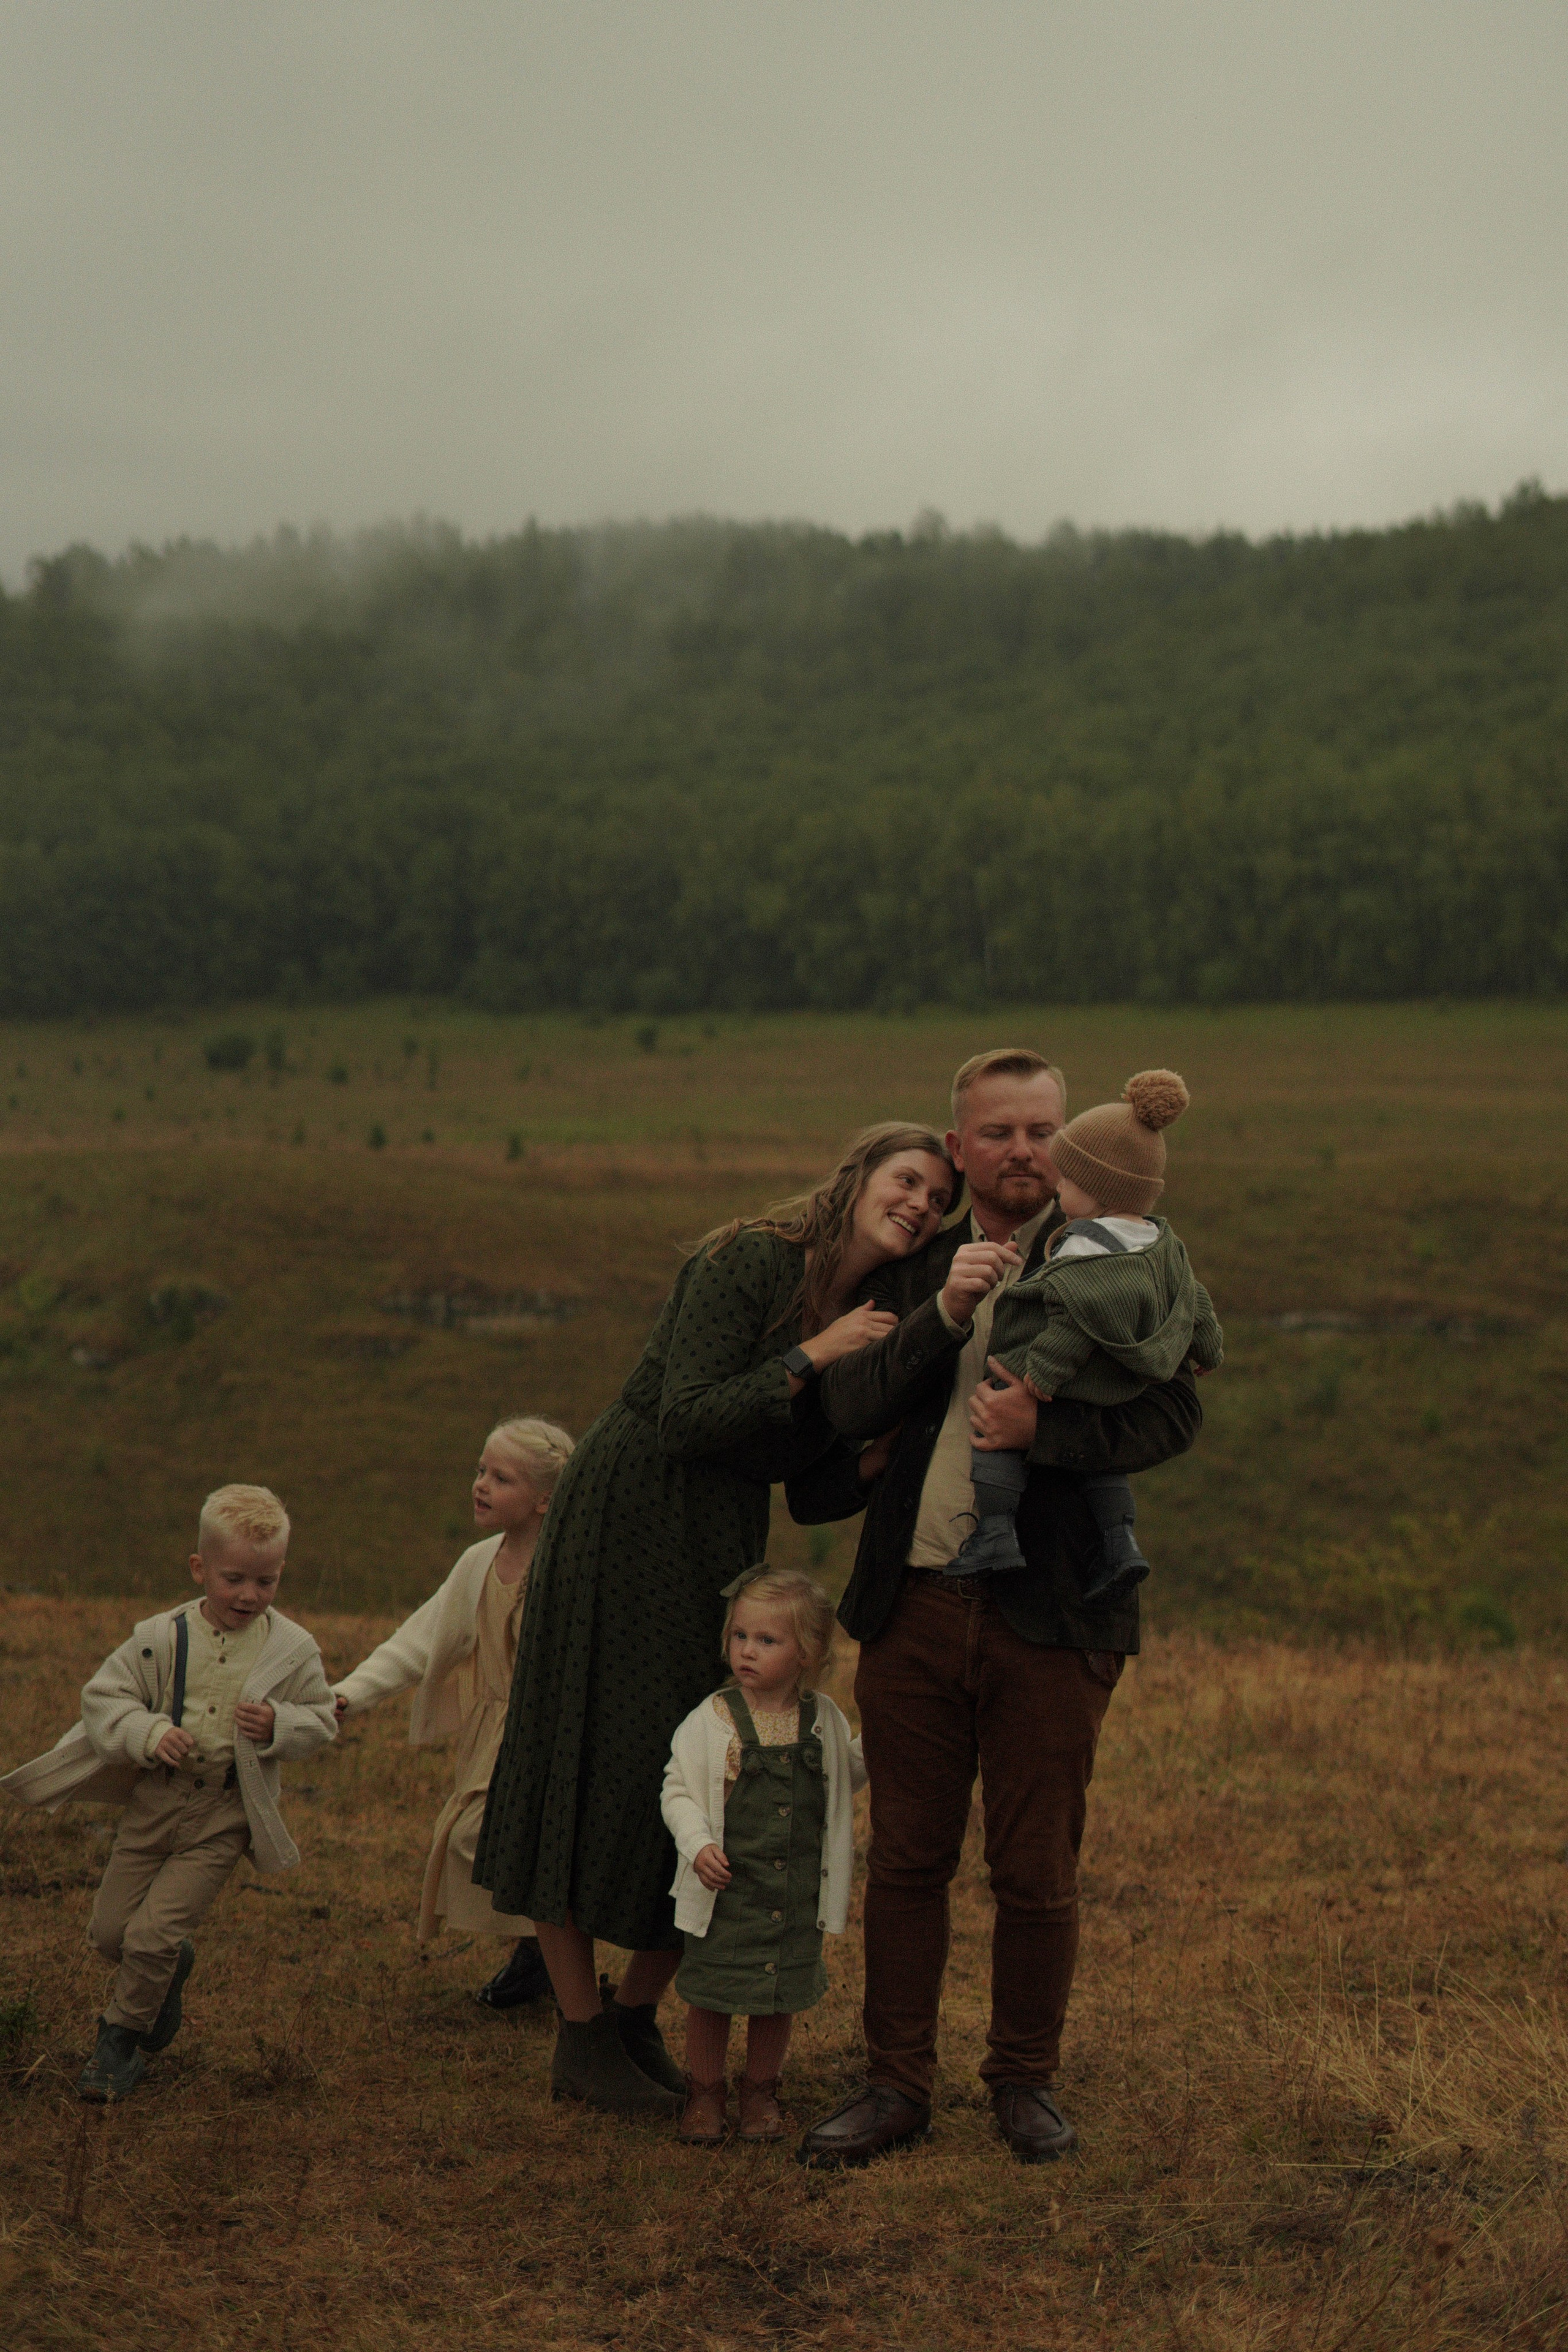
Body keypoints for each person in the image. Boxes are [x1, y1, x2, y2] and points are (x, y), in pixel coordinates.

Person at [473, 1121, 957, 2118]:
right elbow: (687, 1412)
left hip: (718, 1536)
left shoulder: (868, 1312)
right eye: (908, 1179)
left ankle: (631, 2019)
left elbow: (809, 1489)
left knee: (697, 1761)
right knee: (587, 1753)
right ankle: (580, 2035)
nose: (920, 1204)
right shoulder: (750, 1259)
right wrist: (813, 1353)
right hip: (627, 1514)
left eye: (938, 1200)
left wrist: (882, 1455)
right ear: (861, 1174)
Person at [793, 1049, 1204, 2169]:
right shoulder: (912, 1263)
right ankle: (895, 2086)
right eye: (1000, 1132)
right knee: (907, 1859)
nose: (1023, 1151)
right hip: (916, 1603)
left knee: (1036, 1867)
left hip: (1056, 1613)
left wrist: (1046, 1434)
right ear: (959, 1146)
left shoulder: (1127, 1251)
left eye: (1041, 1132)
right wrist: (940, 1313)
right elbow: (845, 1405)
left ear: (1069, 1142)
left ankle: (1024, 2083)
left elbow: (1176, 1417)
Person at [1, 1484, 336, 2103]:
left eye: (266, 1582)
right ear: (199, 1568)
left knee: (148, 1938)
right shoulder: (160, 1636)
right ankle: (168, 1967)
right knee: (112, 1935)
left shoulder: (292, 1649)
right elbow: (105, 1697)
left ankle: (119, 2044)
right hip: (155, 1802)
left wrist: (280, 1726)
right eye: (234, 1579)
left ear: (281, 1574)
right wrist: (148, 1733)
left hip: (224, 1814)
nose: (249, 1595)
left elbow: (321, 1719)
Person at [331, 1416, 574, 2008]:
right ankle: (542, 1962)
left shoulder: (570, 1568)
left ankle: (557, 1967)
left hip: (548, 1736)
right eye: (480, 1470)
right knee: (508, 1848)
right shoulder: (477, 1562)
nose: (481, 1485)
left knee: (481, 1836)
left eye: (502, 1478)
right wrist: (349, 1695)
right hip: (490, 1735)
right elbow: (420, 1640)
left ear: (545, 1500)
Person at [949, 1070, 1223, 1592]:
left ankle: (996, 1532)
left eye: (1069, 1181)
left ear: (1099, 1192)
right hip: (1112, 1384)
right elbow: (1194, 1301)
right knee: (1103, 1472)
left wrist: (1041, 1377)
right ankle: (1121, 1542)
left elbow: (1073, 1318)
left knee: (993, 1434)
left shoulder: (1081, 1249)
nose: (1057, 1186)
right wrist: (1208, 1347)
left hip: (1045, 1376)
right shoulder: (1162, 1242)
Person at [661, 1567, 865, 2146]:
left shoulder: (823, 1719)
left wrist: (880, 1742)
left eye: (767, 1640)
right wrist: (698, 1845)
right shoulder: (714, 1718)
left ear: (807, 1654)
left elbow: (840, 1781)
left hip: (792, 1894)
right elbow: (677, 1789)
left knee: (778, 1997)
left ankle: (760, 2090)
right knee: (712, 1994)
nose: (747, 1650)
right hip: (727, 1892)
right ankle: (705, 2092)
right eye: (740, 1636)